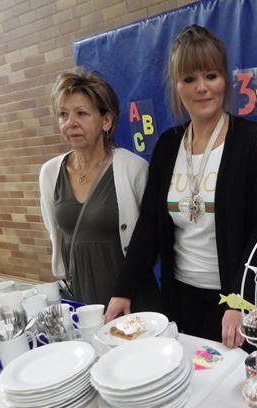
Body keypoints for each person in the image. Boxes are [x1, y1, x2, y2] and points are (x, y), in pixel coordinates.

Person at [105, 25, 257, 348]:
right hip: (181, 298)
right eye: (189, 79)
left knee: (239, 377)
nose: (202, 88)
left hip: (237, 304)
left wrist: (240, 300)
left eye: (211, 76)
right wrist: (123, 289)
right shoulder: (168, 146)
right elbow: (149, 227)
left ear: (225, 79)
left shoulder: (255, 143)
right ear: (177, 86)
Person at [39, 69, 160, 307]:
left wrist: (126, 290)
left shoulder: (133, 169)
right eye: (63, 114)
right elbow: (55, 232)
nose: (70, 123)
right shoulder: (50, 173)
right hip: (81, 297)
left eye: (81, 113)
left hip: (131, 297)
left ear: (106, 121)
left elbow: (151, 239)